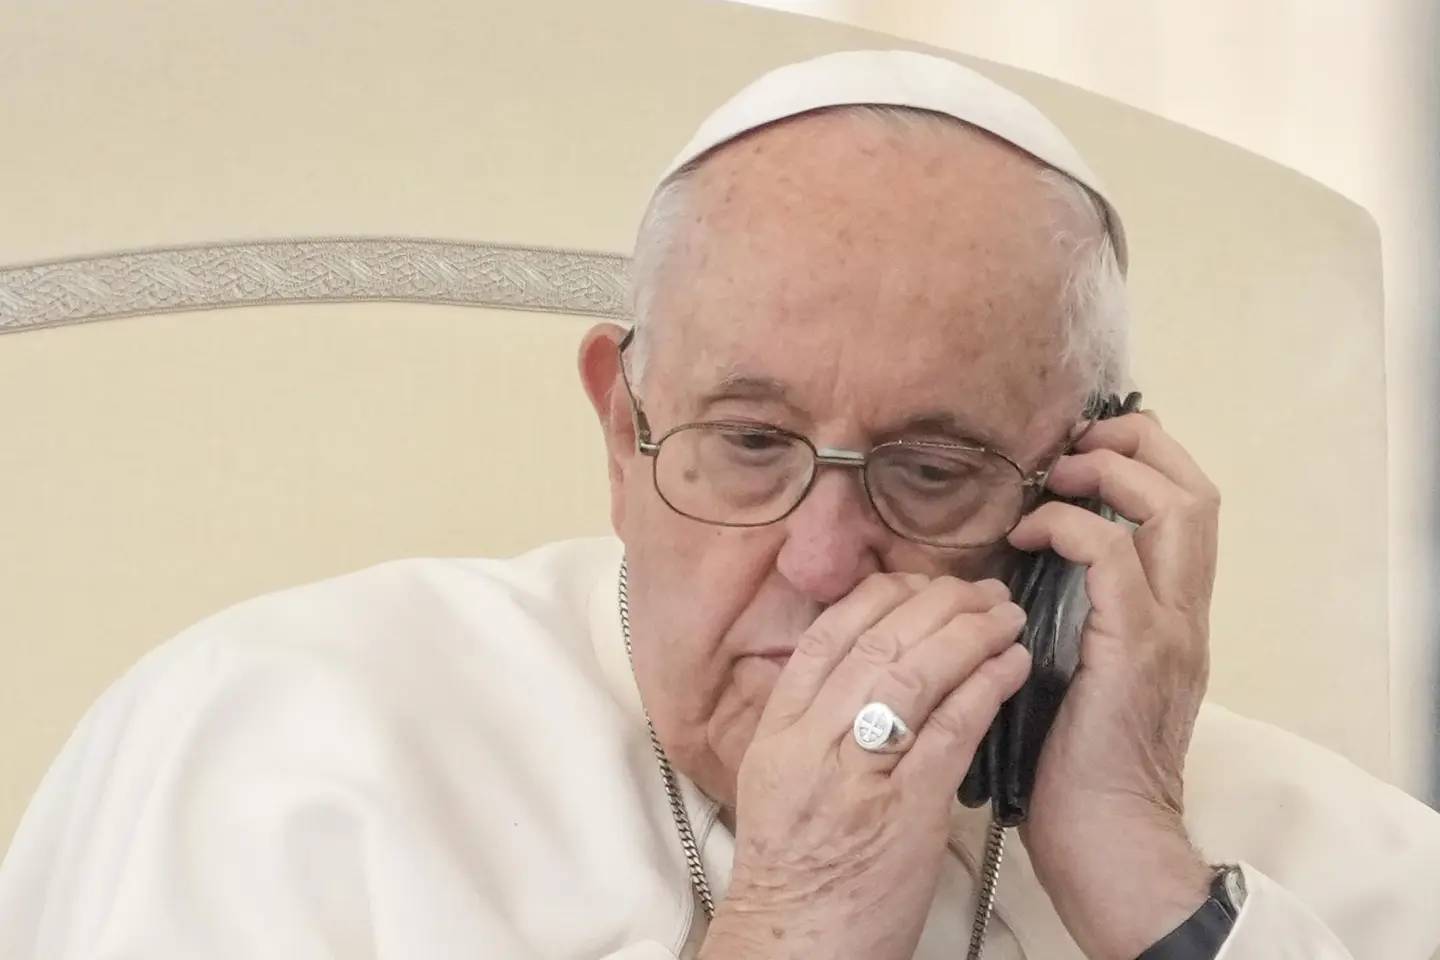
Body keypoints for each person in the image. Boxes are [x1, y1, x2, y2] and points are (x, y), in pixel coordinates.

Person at [2, 49, 1438, 960]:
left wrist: (1149, 882)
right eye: (749, 444)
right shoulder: (287, 745)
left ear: (1084, 502)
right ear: (620, 437)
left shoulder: (1329, 854)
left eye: (930, 471)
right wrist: (796, 923)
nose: (820, 558)